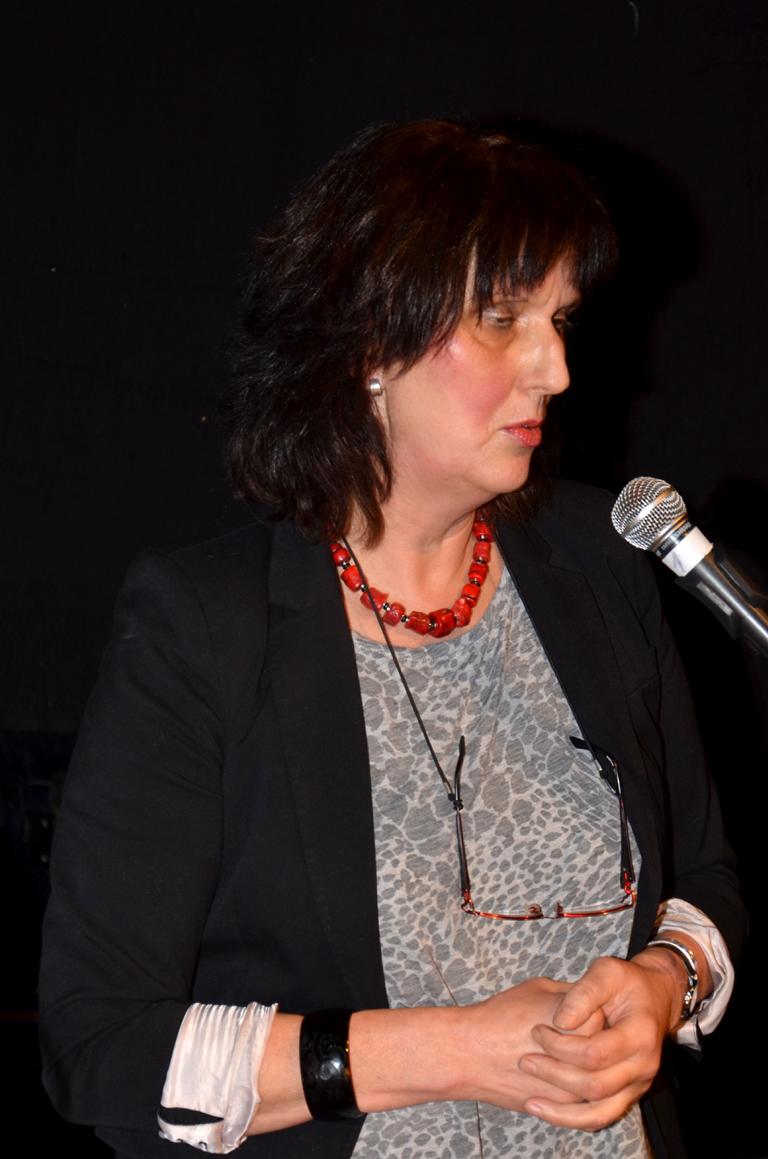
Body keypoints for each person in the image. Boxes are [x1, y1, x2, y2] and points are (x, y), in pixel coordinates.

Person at [40, 120, 745, 1159]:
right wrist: (454, 1051)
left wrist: (664, 980)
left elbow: (709, 878)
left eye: (559, 320)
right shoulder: (204, 626)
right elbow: (100, 1045)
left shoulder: (599, 562)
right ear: (369, 346)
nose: (556, 367)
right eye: (501, 320)